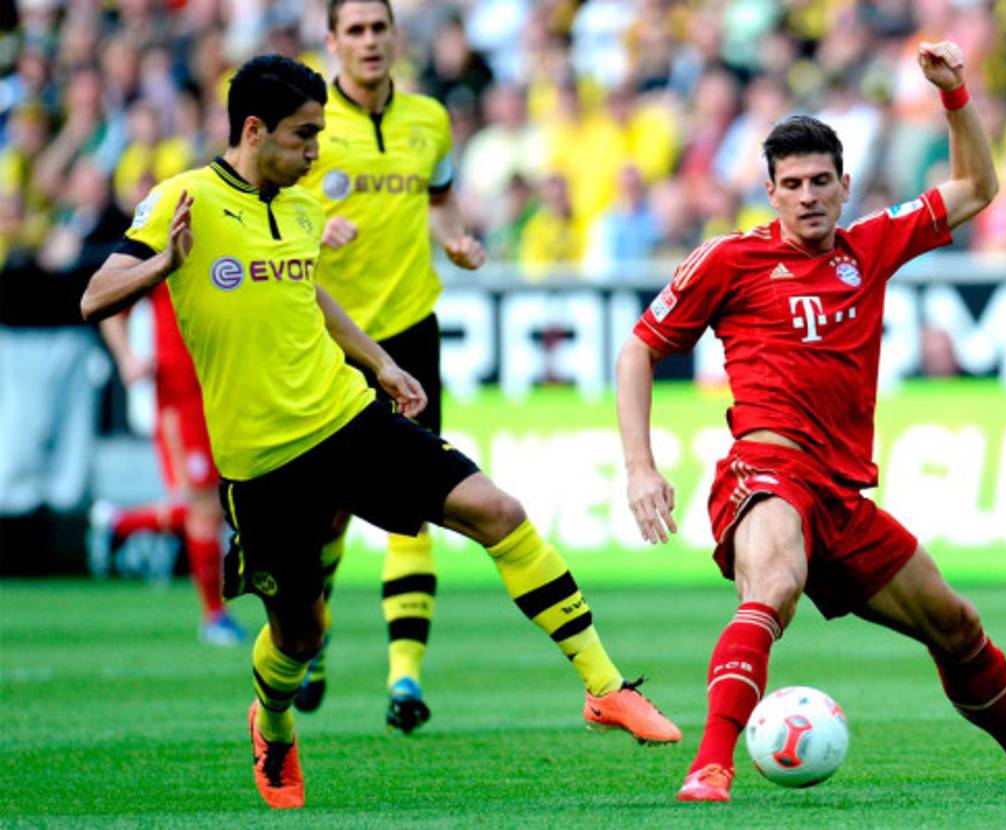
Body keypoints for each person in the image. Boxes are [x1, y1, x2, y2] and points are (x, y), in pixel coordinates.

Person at [81, 54, 680, 811]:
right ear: (255, 129)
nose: (315, 152)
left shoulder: (298, 208)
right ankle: (272, 723)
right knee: (300, 635)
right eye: (304, 136)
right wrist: (162, 264)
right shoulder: (182, 199)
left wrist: (380, 363)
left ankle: (604, 686)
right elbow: (95, 297)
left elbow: (307, 289)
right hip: (263, 463)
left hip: (348, 420)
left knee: (498, 511)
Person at [615, 42, 1006, 804]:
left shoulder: (871, 244)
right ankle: (711, 765)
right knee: (771, 585)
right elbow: (639, 349)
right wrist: (640, 465)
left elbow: (976, 186)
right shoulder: (727, 261)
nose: (807, 197)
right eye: (791, 184)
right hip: (766, 472)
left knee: (956, 625)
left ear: (844, 185)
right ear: (769, 190)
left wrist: (956, 94)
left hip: (842, 495)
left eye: (820, 182)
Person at [294, 0, 490, 731]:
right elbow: (267, 212)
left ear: (394, 38)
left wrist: (459, 239)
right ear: (333, 41)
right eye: (357, 31)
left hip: (411, 329)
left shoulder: (428, 120)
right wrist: (317, 226)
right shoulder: (307, 124)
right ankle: (308, 640)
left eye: (381, 29)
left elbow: (439, 200)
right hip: (330, 334)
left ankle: (404, 681)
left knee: (417, 503)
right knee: (329, 509)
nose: (371, 42)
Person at [93, 278, 246, 646]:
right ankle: (214, 616)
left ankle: (121, 522)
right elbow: (108, 302)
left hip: (235, 393)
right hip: (183, 399)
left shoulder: (238, 238)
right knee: (205, 507)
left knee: (228, 504)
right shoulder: (165, 241)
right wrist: (128, 358)